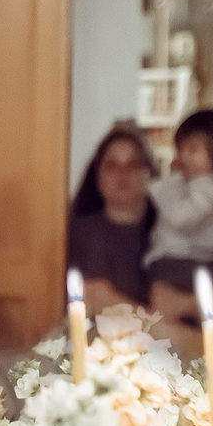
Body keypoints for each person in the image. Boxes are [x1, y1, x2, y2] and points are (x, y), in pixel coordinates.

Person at [68, 122, 158, 312]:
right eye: (111, 166)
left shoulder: (171, 234)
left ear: (148, 173)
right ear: (98, 176)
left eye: (132, 164)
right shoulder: (76, 232)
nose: (122, 173)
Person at [146, 108, 213, 280]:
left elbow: (181, 217)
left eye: (192, 149)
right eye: (180, 149)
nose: (183, 157)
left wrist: (171, 181)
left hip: (193, 263)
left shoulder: (211, 186)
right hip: (197, 263)